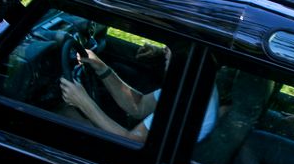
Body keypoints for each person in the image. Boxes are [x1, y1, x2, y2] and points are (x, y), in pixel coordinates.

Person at [59, 46, 216, 145]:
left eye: (170, 48)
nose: (165, 50)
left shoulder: (184, 102)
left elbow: (129, 142)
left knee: (64, 114)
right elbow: (139, 106)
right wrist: (100, 67)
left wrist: (83, 102)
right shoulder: (194, 81)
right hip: (159, 153)